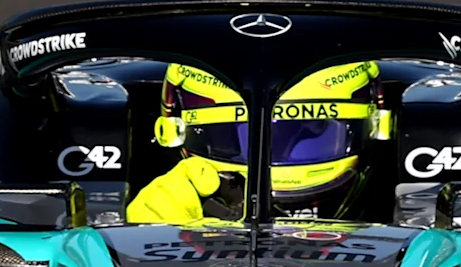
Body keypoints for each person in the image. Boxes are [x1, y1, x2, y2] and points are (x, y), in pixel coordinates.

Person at [123, 58, 381, 223]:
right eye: (237, 137)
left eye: (310, 135)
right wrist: (152, 242)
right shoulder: (163, 214)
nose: (276, 161)